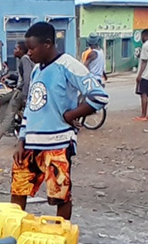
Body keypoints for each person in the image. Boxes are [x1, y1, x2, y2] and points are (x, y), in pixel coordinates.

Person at [11, 22, 108, 220]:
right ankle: (14, 234)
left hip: (58, 144)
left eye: (32, 48)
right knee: (18, 190)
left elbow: (99, 96)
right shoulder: (37, 70)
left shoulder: (69, 65)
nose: (28, 53)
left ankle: (59, 238)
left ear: (47, 44)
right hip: (30, 144)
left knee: (59, 196)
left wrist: (69, 115)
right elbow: (31, 106)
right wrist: (21, 139)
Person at [0, 40, 33, 149]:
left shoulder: (25, 59)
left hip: (21, 92)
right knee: (2, 100)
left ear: (21, 50)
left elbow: (27, 79)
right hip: (20, 90)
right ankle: (10, 127)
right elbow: (22, 77)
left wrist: (24, 96)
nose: (14, 51)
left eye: (16, 49)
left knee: (9, 113)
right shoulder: (23, 60)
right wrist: (10, 76)